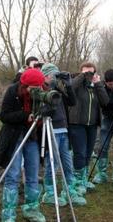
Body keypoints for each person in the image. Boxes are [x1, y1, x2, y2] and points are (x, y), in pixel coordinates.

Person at [0, 68, 46, 222]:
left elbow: (50, 111)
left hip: (33, 138)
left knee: (32, 173)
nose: (37, 91)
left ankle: (32, 209)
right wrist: (26, 116)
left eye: (39, 88)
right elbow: (4, 116)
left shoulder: (43, 92)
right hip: (15, 137)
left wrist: (44, 112)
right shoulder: (13, 92)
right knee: (13, 175)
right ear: (25, 85)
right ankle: (9, 213)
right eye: (34, 88)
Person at [40, 63, 86, 206]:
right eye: (53, 75)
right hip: (50, 130)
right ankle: (49, 193)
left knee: (67, 163)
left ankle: (69, 190)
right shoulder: (41, 90)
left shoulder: (57, 89)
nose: (55, 78)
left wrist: (68, 85)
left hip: (63, 130)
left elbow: (72, 102)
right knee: (51, 164)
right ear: (45, 76)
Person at [68, 62, 109, 195]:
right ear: (80, 72)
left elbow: (105, 102)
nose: (88, 75)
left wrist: (98, 84)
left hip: (92, 125)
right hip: (76, 123)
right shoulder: (76, 84)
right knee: (79, 153)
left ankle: (83, 179)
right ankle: (78, 182)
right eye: (86, 72)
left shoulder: (96, 86)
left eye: (91, 72)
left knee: (88, 153)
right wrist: (82, 76)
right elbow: (70, 88)